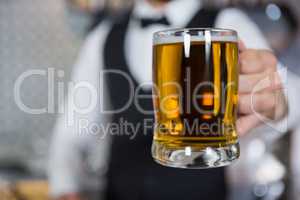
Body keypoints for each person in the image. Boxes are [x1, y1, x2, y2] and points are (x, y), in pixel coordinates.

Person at [48, 0, 300, 200]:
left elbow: (289, 99)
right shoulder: (103, 37)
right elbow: (71, 133)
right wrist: (66, 188)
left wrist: (277, 104)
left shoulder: (229, 24)